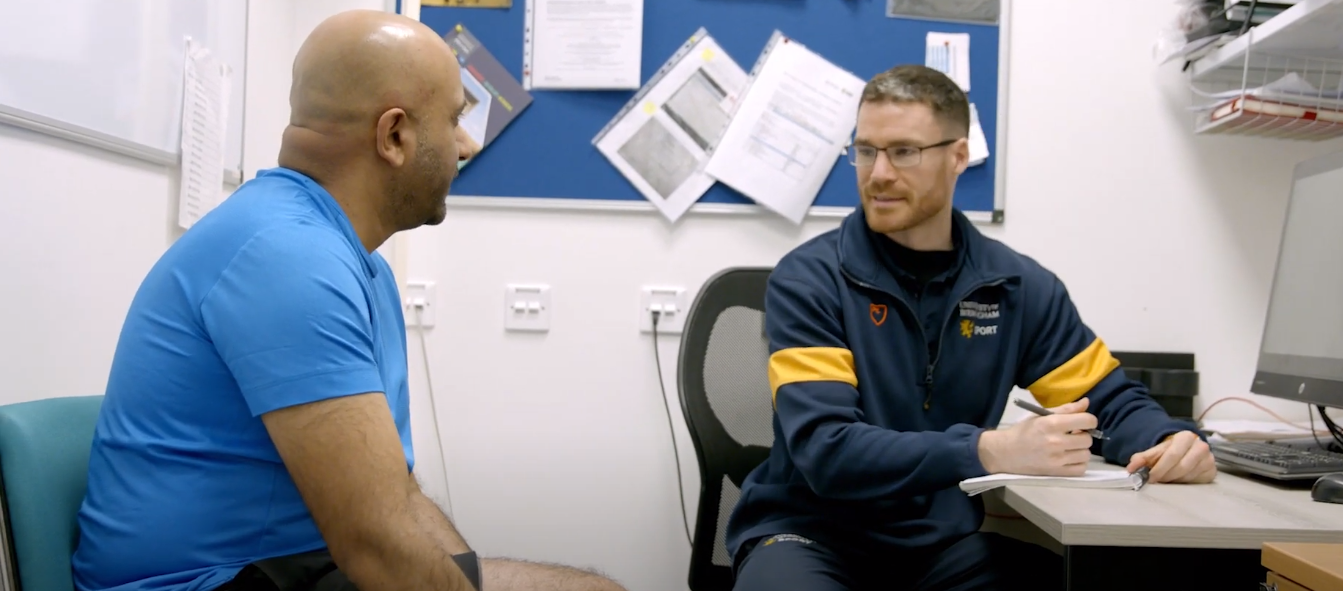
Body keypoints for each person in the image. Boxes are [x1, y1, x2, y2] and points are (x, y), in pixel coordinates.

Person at [71, 10, 625, 591]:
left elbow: (400, 502)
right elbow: (379, 547)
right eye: (455, 119)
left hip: (300, 568)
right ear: (394, 136)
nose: (465, 144)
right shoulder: (286, 257)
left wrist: (471, 577)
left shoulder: (354, 264)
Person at [724, 64, 1217, 591]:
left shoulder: (1016, 286)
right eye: (866, 150)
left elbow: (1110, 404)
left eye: (903, 151)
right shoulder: (811, 279)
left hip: (940, 550)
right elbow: (827, 450)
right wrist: (987, 450)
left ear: (958, 156)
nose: (878, 173)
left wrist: (1169, 439)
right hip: (810, 536)